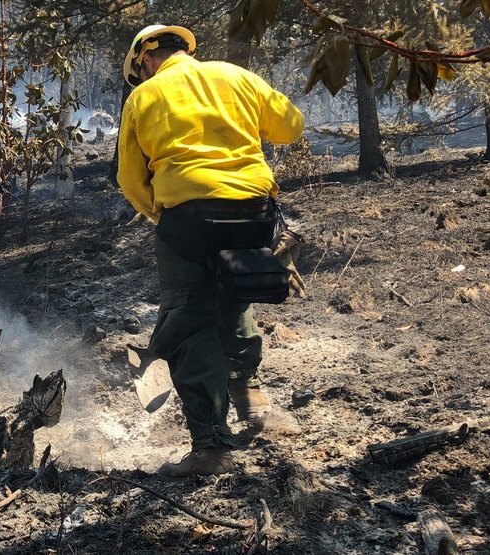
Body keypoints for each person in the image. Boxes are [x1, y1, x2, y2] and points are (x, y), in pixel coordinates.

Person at [116, 25, 304, 478]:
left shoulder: (143, 96)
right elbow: (291, 126)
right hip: (253, 212)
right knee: (234, 296)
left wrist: (159, 213)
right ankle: (253, 401)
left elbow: (129, 177)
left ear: (145, 60)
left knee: (189, 321)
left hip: (189, 219)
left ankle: (212, 449)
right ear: (186, 50)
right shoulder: (236, 76)